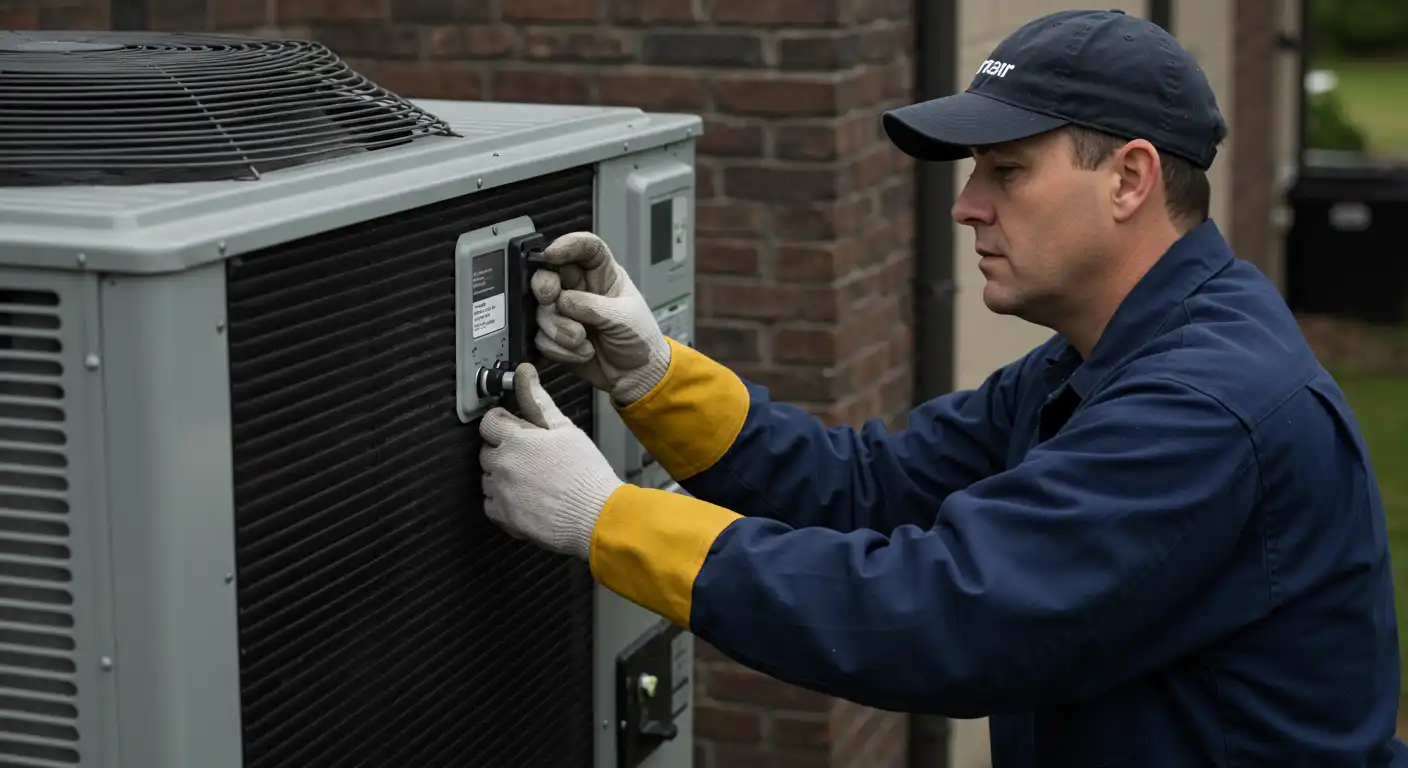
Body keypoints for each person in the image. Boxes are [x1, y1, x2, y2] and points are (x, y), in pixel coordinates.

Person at [477, 8, 1407, 766]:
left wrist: (610, 520)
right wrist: (653, 374)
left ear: (1130, 179)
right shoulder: (1097, 360)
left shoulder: (1203, 407)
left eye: (1006, 170)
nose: (966, 203)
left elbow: (949, 614)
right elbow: (866, 486)